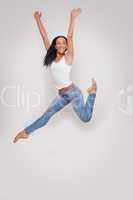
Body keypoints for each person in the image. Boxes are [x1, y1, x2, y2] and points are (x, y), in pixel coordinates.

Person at [13, 8, 97, 143]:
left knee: (86, 118)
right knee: (47, 115)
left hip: (73, 93)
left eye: (64, 43)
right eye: (58, 42)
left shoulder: (68, 58)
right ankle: (25, 132)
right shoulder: (51, 57)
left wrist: (72, 17)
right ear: (55, 45)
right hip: (62, 95)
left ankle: (92, 93)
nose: (62, 44)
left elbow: (70, 36)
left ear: (66, 46)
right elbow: (44, 36)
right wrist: (37, 19)